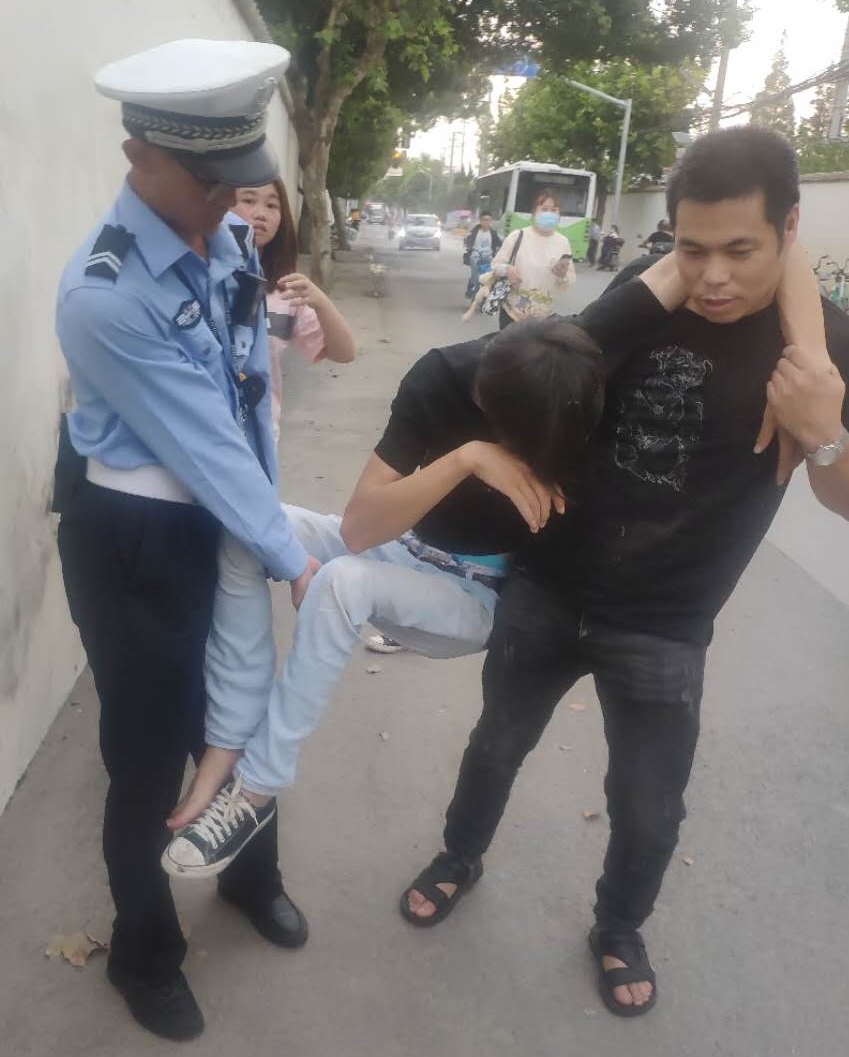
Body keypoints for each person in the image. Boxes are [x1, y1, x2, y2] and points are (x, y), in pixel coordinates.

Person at [400, 127, 849, 1018]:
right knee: (496, 743)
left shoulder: (824, 343)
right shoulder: (644, 294)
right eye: (692, 248)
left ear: (790, 227)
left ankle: (618, 924)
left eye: (739, 251)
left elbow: (838, 498)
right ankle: (459, 853)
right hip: (548, 582)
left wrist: (826, 432)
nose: (711, 276)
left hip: (665, 622)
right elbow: (555, 371)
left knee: (647, 804)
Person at [158, 253, 693, 877]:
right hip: (401, 549)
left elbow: (687, 264)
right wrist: (465, 460)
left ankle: (255, 788)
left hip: (478, 597)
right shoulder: (449, 374)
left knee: (341, 583)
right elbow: (360, 528)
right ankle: (229, 738)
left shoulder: (573, 376)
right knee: (252, 525)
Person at [51, 39, 318, 1042]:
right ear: (138, 155)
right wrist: (294, 554)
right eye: (209, 182)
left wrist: (266, 525)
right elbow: (204, 441)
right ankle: (144, 950)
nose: (228, 202)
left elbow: (244, 395)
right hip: (136, 542)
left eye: (238, 179)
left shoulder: (225, 233)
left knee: (241, 711)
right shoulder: (104, 295)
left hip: (223, 510)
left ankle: (248, 874)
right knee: (150, 752)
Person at [231, 180, 356, 442]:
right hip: (199, 437)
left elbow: (344, 353)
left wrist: (321, 302)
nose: (261, 214)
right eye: (249, 200)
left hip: (259, 439)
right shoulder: (198, 278)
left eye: (272, 205)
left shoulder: (284, 291)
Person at [462, 189, 576, 327]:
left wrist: (562, 276)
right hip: (512, 314)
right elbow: (495, 266)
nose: (549, 214)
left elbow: (568, 282)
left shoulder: (563, 243)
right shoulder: (517, 236)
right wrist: (507, 270)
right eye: (545, 209)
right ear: (534, 212)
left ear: (559, 214)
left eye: (554, 210)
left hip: (543, 318)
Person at [463, 212, 501, 300]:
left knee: (488, 277)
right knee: (475, 276)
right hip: (476, 257)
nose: (487, 222)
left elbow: (499, 243)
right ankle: (472, 291)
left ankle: (486, 295)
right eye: (485, 220)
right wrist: (470, 247)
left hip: (489, 257)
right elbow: (467, 241)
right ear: (480, 221)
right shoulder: (474, 232)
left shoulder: (493, 233)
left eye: (489, 220)